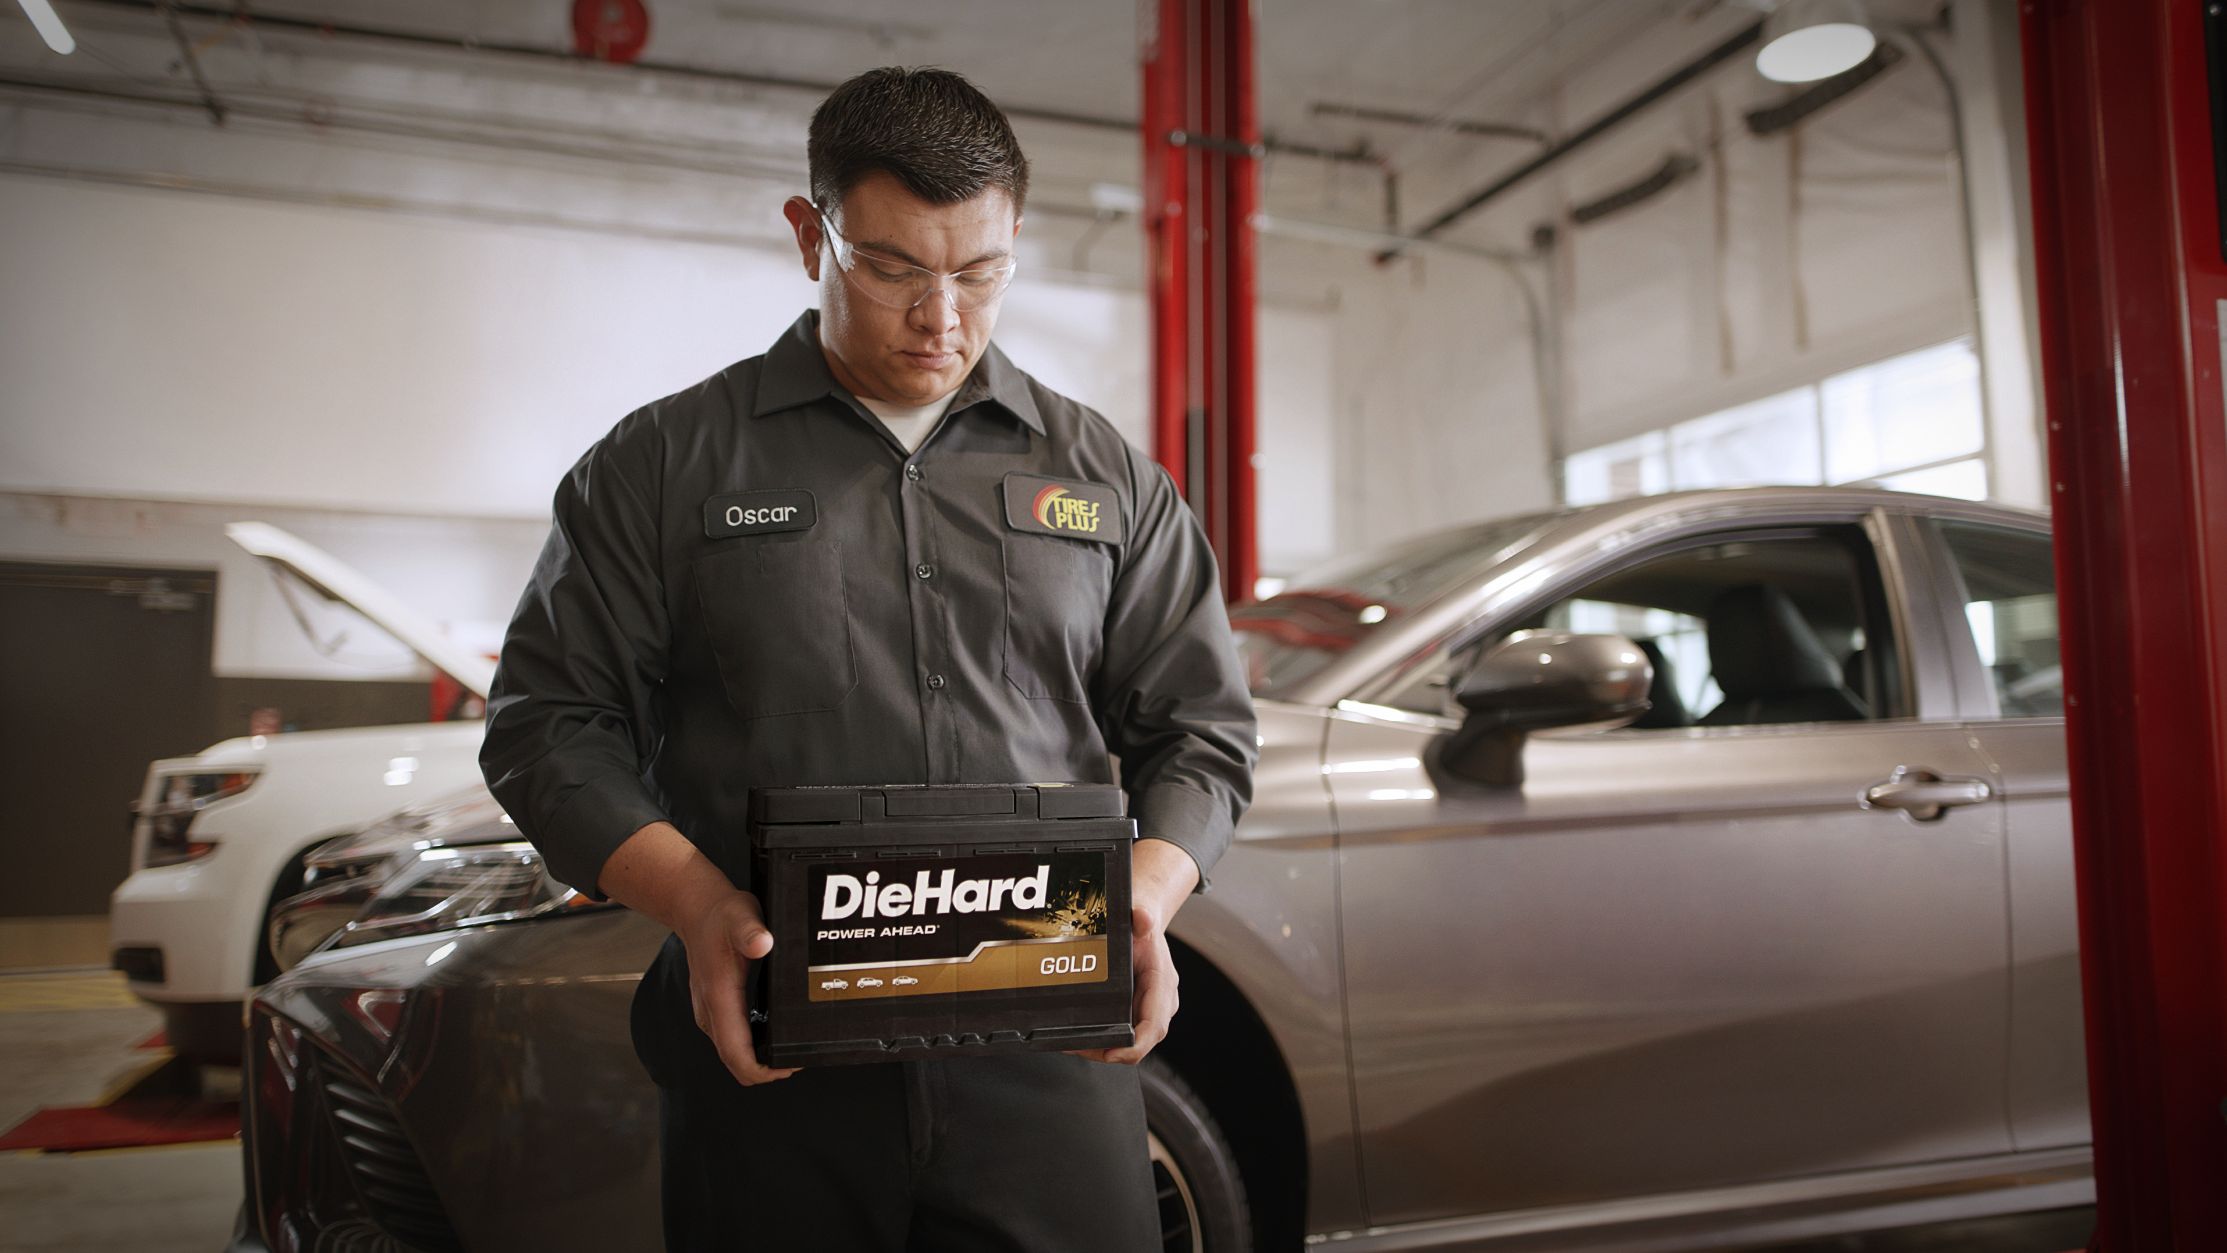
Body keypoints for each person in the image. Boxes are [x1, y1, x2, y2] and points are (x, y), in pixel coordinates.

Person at [479, 66, 1257, 1252]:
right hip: (774, 1060)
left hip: (1048, 1051)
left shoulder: (1104, 476)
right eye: (893, 267)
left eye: (980, 272)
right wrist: (696, 905)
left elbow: (1199, 726)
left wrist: (1146, 897)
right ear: (811, 236)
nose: (940, 319)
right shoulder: (660, 469)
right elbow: (548, 725)